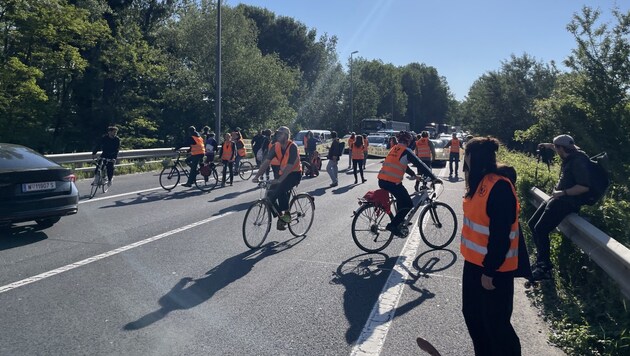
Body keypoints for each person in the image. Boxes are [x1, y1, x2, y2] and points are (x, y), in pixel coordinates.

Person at [460, 136, 521, 356]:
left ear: (472, 157)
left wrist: (490, 270)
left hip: (494, 269)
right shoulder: (478, 182)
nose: (463, 159)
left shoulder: (499, 187)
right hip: (474, 265)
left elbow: (500, 235)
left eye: (465, 154)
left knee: (497, 326)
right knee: (474, 317)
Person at [528, 134, 591, 281]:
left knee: (540, 229)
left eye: (556, 148)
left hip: (566, 201)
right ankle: (541, 262)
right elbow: (561, 144)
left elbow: (584, 187)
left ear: (562, 148)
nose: (555, 150)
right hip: (558, 197)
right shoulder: (572, 154)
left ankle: (544, 268)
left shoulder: (578, 162)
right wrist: (548, 145)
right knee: (533, 224)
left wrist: (562, 192)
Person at [377, 131, 438, 236]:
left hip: (382, 180)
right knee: (408, 204)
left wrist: (414, 175)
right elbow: (420, 164)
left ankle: (400, 220)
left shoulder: (394, 149)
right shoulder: (406, 151)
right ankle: (393, 225)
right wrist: (434, 178)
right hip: (392, 182)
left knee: (402, 199)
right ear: (408, 141)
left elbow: (403, 165)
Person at [253, 126, 302, 231]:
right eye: (277, 134)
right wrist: (257, 176)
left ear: (286, 135)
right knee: (270, 195)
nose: (278, 135)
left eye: (281, 134)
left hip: (294, 174)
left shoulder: (292, 146)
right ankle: (281, 216)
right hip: (282, 174)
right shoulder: (276, 146)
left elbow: (289, 166)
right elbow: (266, 162)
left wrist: (280, 180)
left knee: (280, 188)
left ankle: (287, 214)